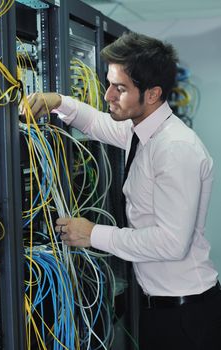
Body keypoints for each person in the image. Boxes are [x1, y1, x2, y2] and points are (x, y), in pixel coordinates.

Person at [27, 32, 221, 350]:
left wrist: (93, 234)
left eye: (120, 89)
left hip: (187, 320)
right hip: (162, 310)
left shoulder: (175, 148)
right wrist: (59, 103)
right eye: (109, 83)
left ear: (153, 93)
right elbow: (100, 123)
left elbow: (171, 243)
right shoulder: (143, 131)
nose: (108, 95)